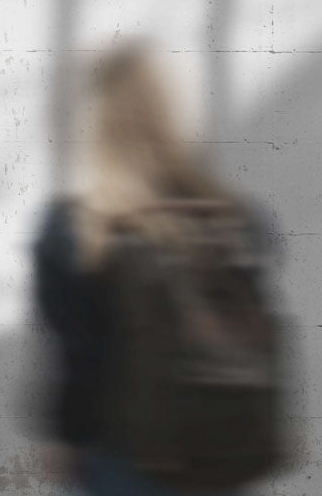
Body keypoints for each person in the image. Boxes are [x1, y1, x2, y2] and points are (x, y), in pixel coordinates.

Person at [32, 44, 281, 495]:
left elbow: (76, 362)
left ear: (94, 123)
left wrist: (68, 440)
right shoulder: (237, 218)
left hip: (126, 458)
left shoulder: (77, 229)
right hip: (225, 451)